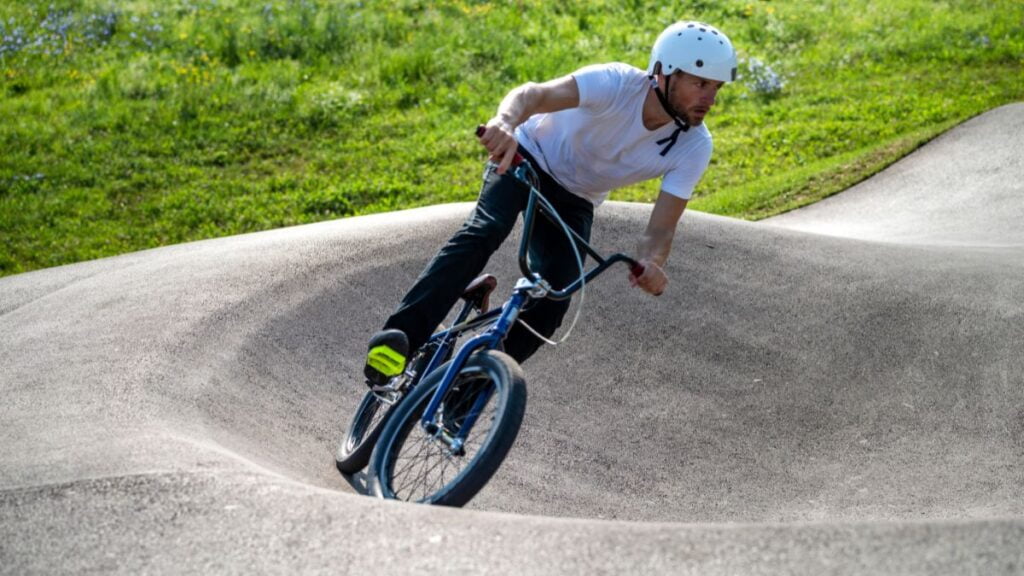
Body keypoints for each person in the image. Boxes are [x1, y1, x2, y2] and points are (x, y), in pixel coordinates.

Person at [364, 21, 737, 387]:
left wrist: (653, 263)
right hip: (527, 155)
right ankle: (398, 342)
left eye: (716, 87)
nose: (710, 98)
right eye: (700, 83)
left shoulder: (694, 145)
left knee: (556, 299)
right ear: (663, 72)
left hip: (576, 198)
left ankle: (464, 396)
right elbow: (531, 95)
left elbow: (660, 229)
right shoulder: (615, 83)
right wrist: (505, 123)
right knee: (486, 230)